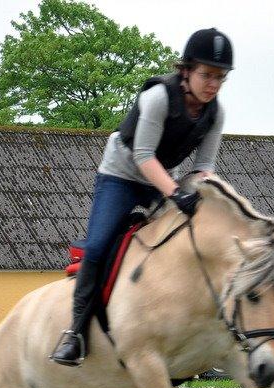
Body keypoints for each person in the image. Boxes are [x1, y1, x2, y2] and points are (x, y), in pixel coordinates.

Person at [50, 27, 234, 366]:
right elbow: (144, 155)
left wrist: (206, 194)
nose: (213, 84)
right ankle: (74, 333)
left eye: (220, 78)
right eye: (207, 75)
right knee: (99, 246)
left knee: (185, 242)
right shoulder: (158, 97)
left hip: (163, 179)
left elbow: (205, 166)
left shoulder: (215, 113)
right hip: (122, 174)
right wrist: (177, 193)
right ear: (186, 70)